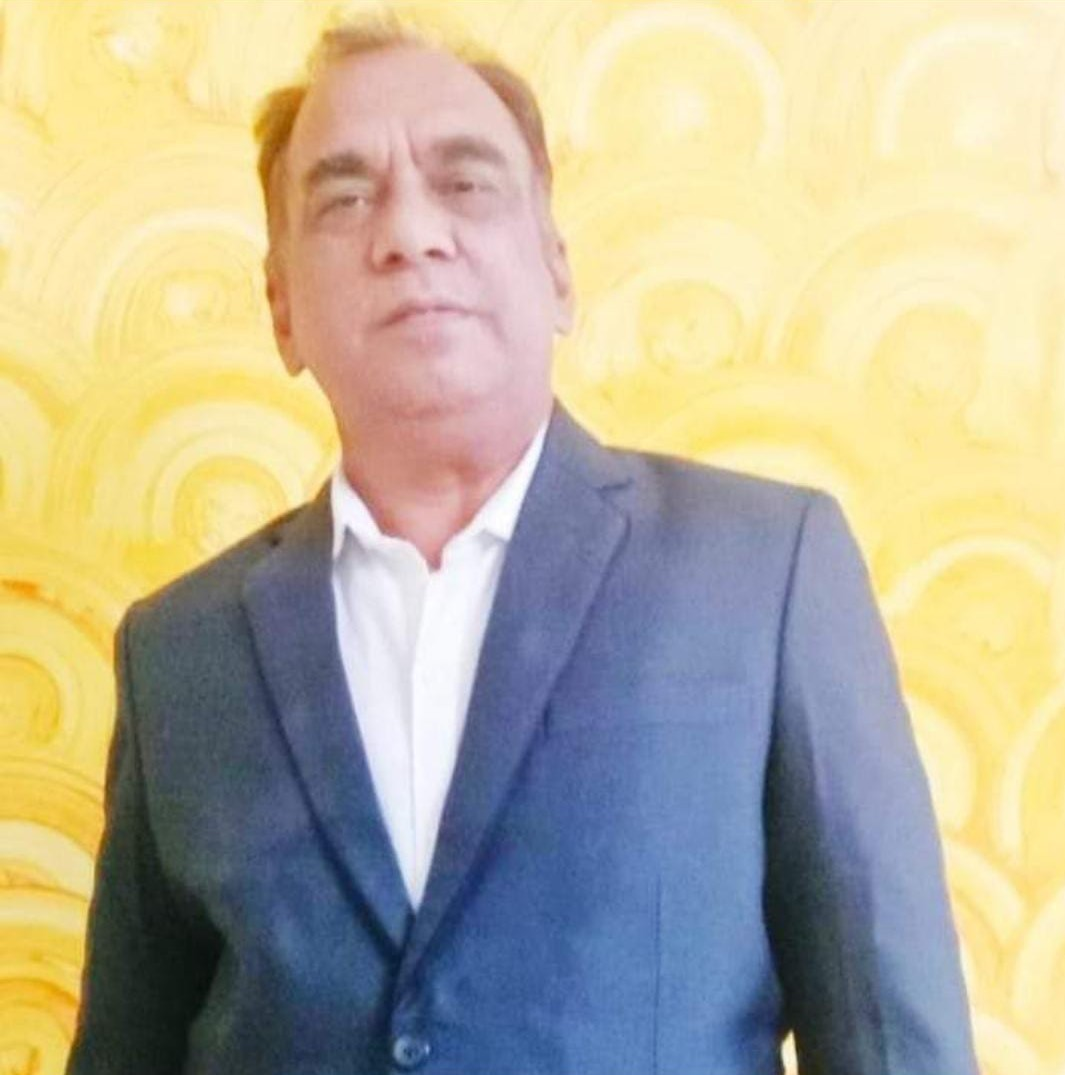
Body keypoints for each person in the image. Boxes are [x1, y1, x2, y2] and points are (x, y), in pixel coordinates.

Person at [66, 18, 980, 1075]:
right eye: (345, 198)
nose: (410, 233)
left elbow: (893, 1044)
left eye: (465, 184)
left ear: (556, 271)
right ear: (280, 308)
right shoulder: (179, 652)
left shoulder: (766, 574)